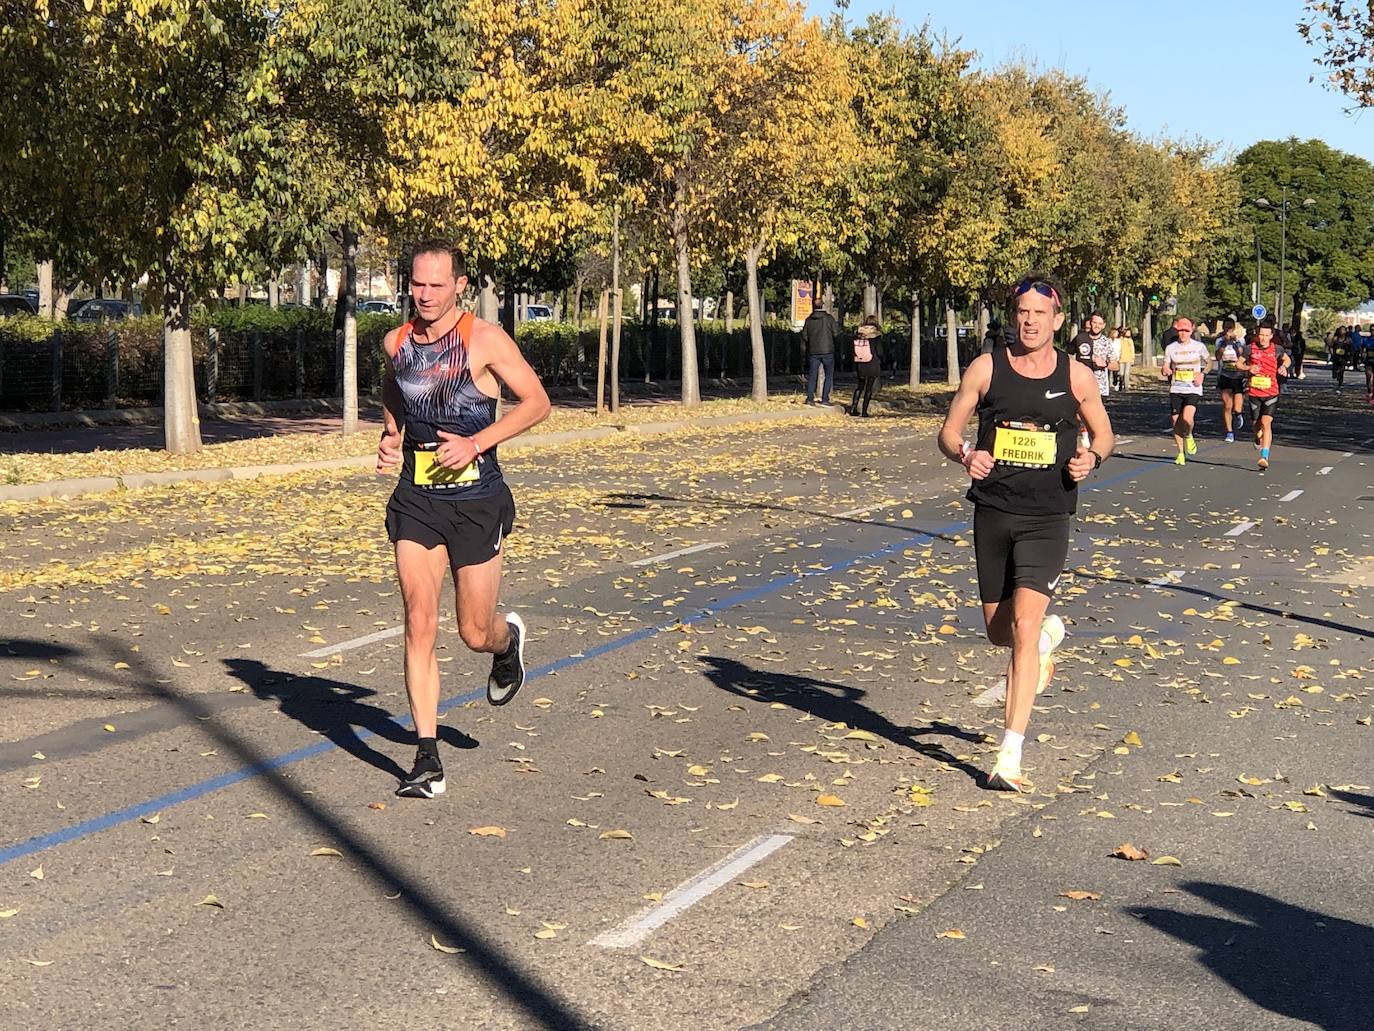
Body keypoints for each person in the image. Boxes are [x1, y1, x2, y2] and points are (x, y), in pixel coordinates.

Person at [377, 239, 551, 798]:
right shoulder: (397, 342)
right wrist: (390, 433)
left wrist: (477, 442)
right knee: (418, 620)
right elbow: (394, 389)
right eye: (417, 283)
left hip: (477, 500)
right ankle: (426, 760)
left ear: (459, 285)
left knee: (473, 629)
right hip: (417, 500)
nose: (425, 294)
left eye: (436, 284)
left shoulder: (484, 339)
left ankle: (506, 645)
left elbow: (536, 403)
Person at [938, 272, 1114, 793]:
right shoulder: (986, 368)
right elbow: (948, 432)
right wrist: (966, 454)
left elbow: (1104, 433)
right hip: (993, 511)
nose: (1030, 321)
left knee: (1023, 628)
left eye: (1041, 313)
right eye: (1022, 312)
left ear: (1058, 321)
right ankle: (1045, 642)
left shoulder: (1077, 376)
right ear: (1013, 317)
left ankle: (1008, 757)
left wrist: (1091, 458)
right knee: (1000, 631)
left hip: (1047, 517)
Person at [1235, 316, 1291, 472]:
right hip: (1254, 392)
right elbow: (1238, 363)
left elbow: (1287, 360)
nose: (1263, 338)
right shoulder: (1249, 348)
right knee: (1256, 425)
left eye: (1267, 335)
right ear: (1257, 334)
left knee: (1266, 423)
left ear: (1271, 336)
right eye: (1261, 335)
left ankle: (1264, 456)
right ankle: (1257, 437)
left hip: (1271, 392)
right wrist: (1248, 368)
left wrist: (1284, 367)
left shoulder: (1277, 349)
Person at [1161, 317, 1210, 464]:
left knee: (1187, 419)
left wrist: (1202, 374)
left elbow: (1209, 363)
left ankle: (1188, 435)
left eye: (1186, 331)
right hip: (1176, 387)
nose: (1183, 333)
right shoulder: (1171, 348)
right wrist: (1165, 370)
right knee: (1176, 421)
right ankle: (1181, 453)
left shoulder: (1199, 346)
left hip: (1193, 388)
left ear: (1191, 331)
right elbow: (1165, 366)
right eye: (1181, 330)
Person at [800, 302, 839, 405]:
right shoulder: (829, 318)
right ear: (823, 306)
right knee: (829, 375)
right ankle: (825, 399)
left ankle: (810, 398)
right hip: (828, 350)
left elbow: (805, 336)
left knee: (812, 375)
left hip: (813, 351)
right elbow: (836, 333)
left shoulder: (809, 320)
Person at [1214, 319, 1247, 442]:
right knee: (1227, 405)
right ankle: (1229, 432)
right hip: (1224, 375)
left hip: (1237, 376)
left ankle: (1238, 414)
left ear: (1234, 328)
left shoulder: (1240, 340)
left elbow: (1242, 355)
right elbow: (1218, 357)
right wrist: (1224, 343)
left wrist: (1235, 342)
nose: (1228, 330)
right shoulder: (1220, 341)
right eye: (1226, 327)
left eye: (1230, 327)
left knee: (1237, 407)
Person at [1073, 310, 1117, 398]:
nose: (1097, 326)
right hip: (1081, 385)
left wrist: (1105, 364)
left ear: (1104, 326)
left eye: (1100, 324)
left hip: (1100, 388)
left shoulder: (1106, 342)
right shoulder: (1080, 338)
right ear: (1090, 323)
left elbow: (1116, 366)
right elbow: (1069, 355)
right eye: (1094, 322)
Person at [848, 317, 883, 417]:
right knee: (869, 388)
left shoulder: (859, 334)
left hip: (860, 362)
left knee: (859, 386)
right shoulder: (876, 336)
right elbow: (880, 351)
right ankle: (864, 411)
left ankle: (853, 408)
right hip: (872, 363)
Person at [1116, 326, 1135, 392]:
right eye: (1127, 332)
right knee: (1121, 373)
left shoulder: (1130, 341)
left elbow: (1132, 350)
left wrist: (1133, 358)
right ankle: (1120, 384)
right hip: (1121, 359)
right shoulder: (1120, 340)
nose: (1128, 334)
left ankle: (1126, 387)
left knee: (1127, 373)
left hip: (1128, 359)